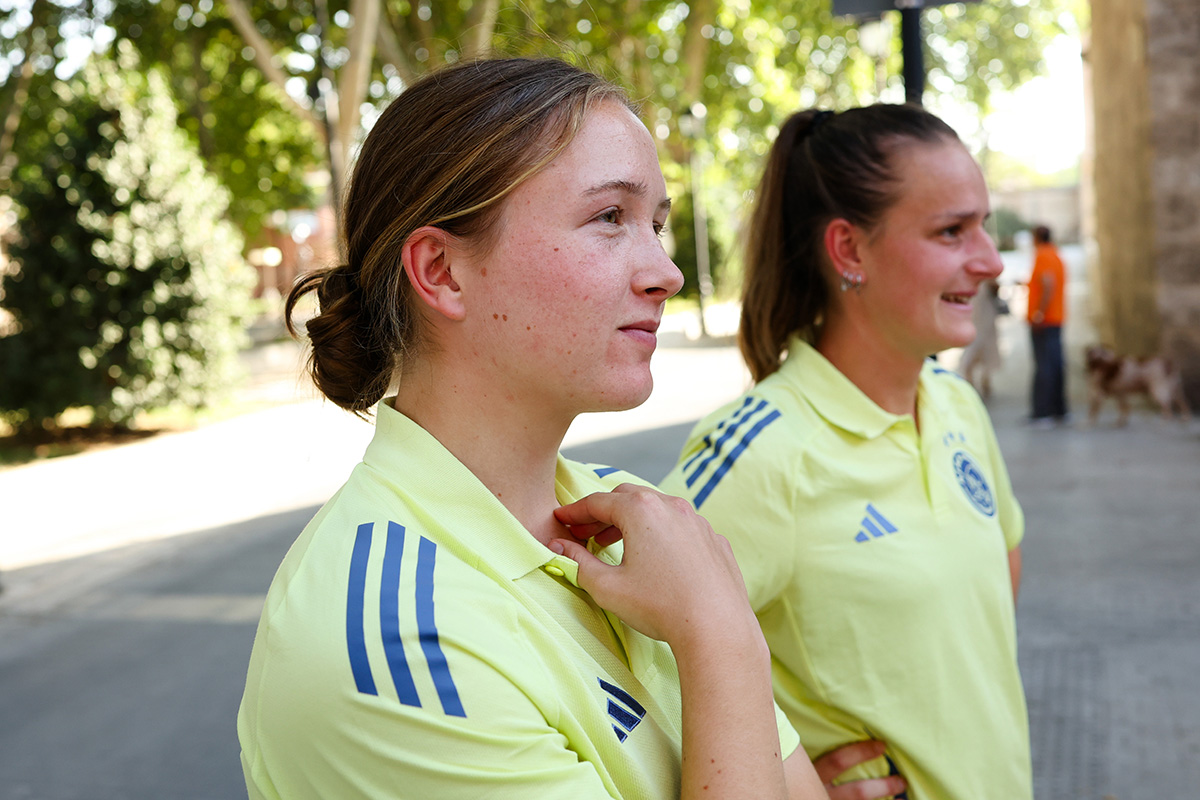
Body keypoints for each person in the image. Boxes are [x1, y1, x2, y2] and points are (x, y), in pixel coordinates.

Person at [237, 58, 827, 799]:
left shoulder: (629, 516)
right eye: (611, 217)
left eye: (657, 223)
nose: (666, 271)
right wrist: (722, 639)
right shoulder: (399, 649)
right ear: (442, 272)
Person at [660, 105, 1032, 800]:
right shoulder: (762, 450)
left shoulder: (957, 407)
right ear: (849, 251)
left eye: (983, 224)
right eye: (952, 230)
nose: (987, 260)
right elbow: (623, 664)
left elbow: (990, 604)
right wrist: (785, 777)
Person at [1026, 224, 1068, 425]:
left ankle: (1043, 412)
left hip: (1046, 320)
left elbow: (1048, 283)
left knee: (1044, 365)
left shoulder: (1042, 255)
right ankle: (1059, 410)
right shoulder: (1056, 254)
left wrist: (1039, 314)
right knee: (1055, 363)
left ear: (1036, 237)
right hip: (1056, 318)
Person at [957, 278, 1006, 399]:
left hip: (985, 321)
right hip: (974, 320)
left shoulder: (987, 279)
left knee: (986, 355)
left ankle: (984, 383)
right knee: (970, 357)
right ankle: (972, 385)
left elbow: (996, 289)